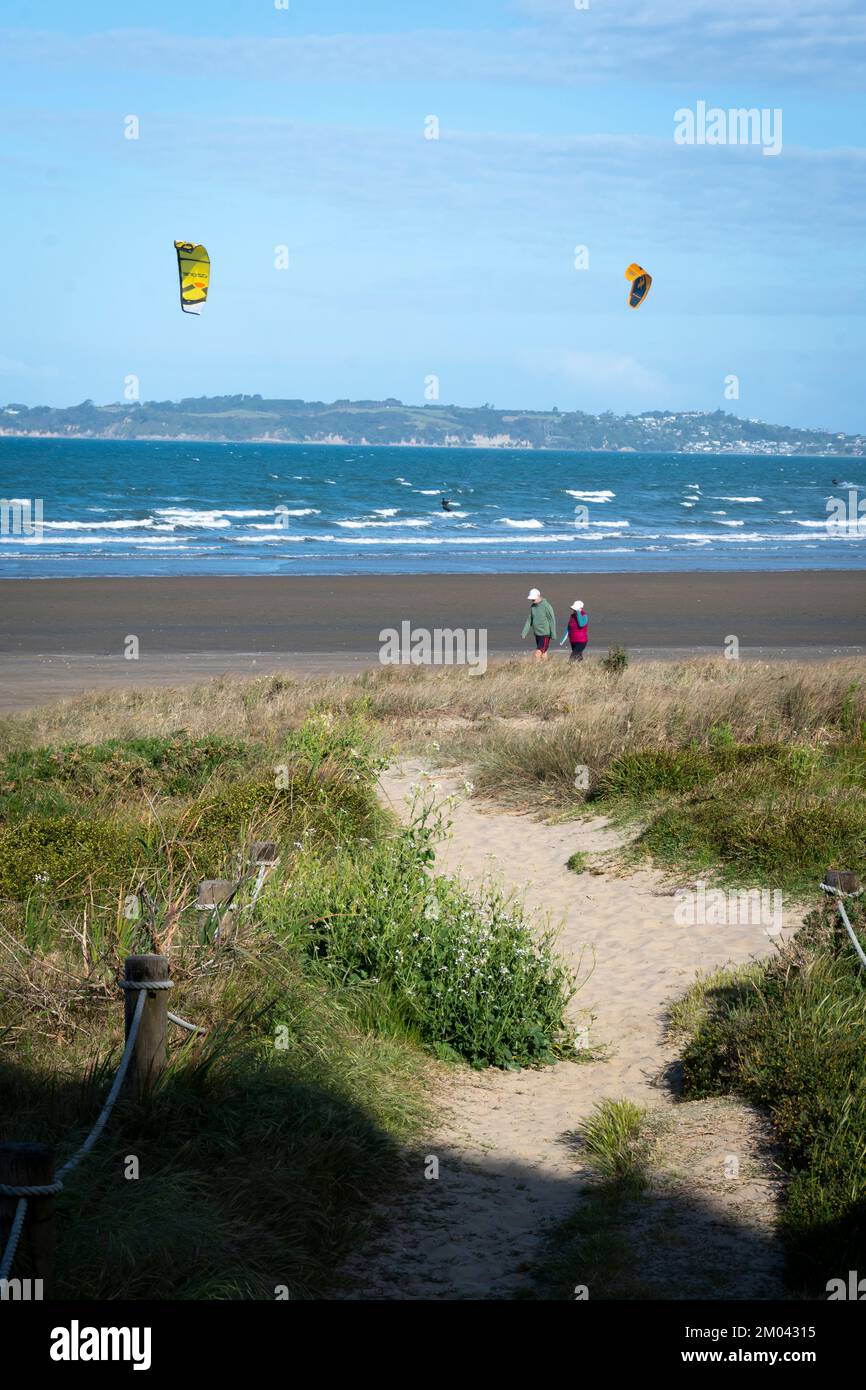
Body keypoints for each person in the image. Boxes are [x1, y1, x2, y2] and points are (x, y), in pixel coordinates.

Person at [521, 587, 556, 662]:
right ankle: (546, 667)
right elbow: (529, 620)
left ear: (538, 596)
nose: (532, 600)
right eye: (531, 599)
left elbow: (552, 620)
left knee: (537, 653)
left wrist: (553, 634)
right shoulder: (533, 607)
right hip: (537, 634)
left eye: (533, 598)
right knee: (544, 653)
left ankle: (536, 668)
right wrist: (524, 632)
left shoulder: (546, 606)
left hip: (545, 634)